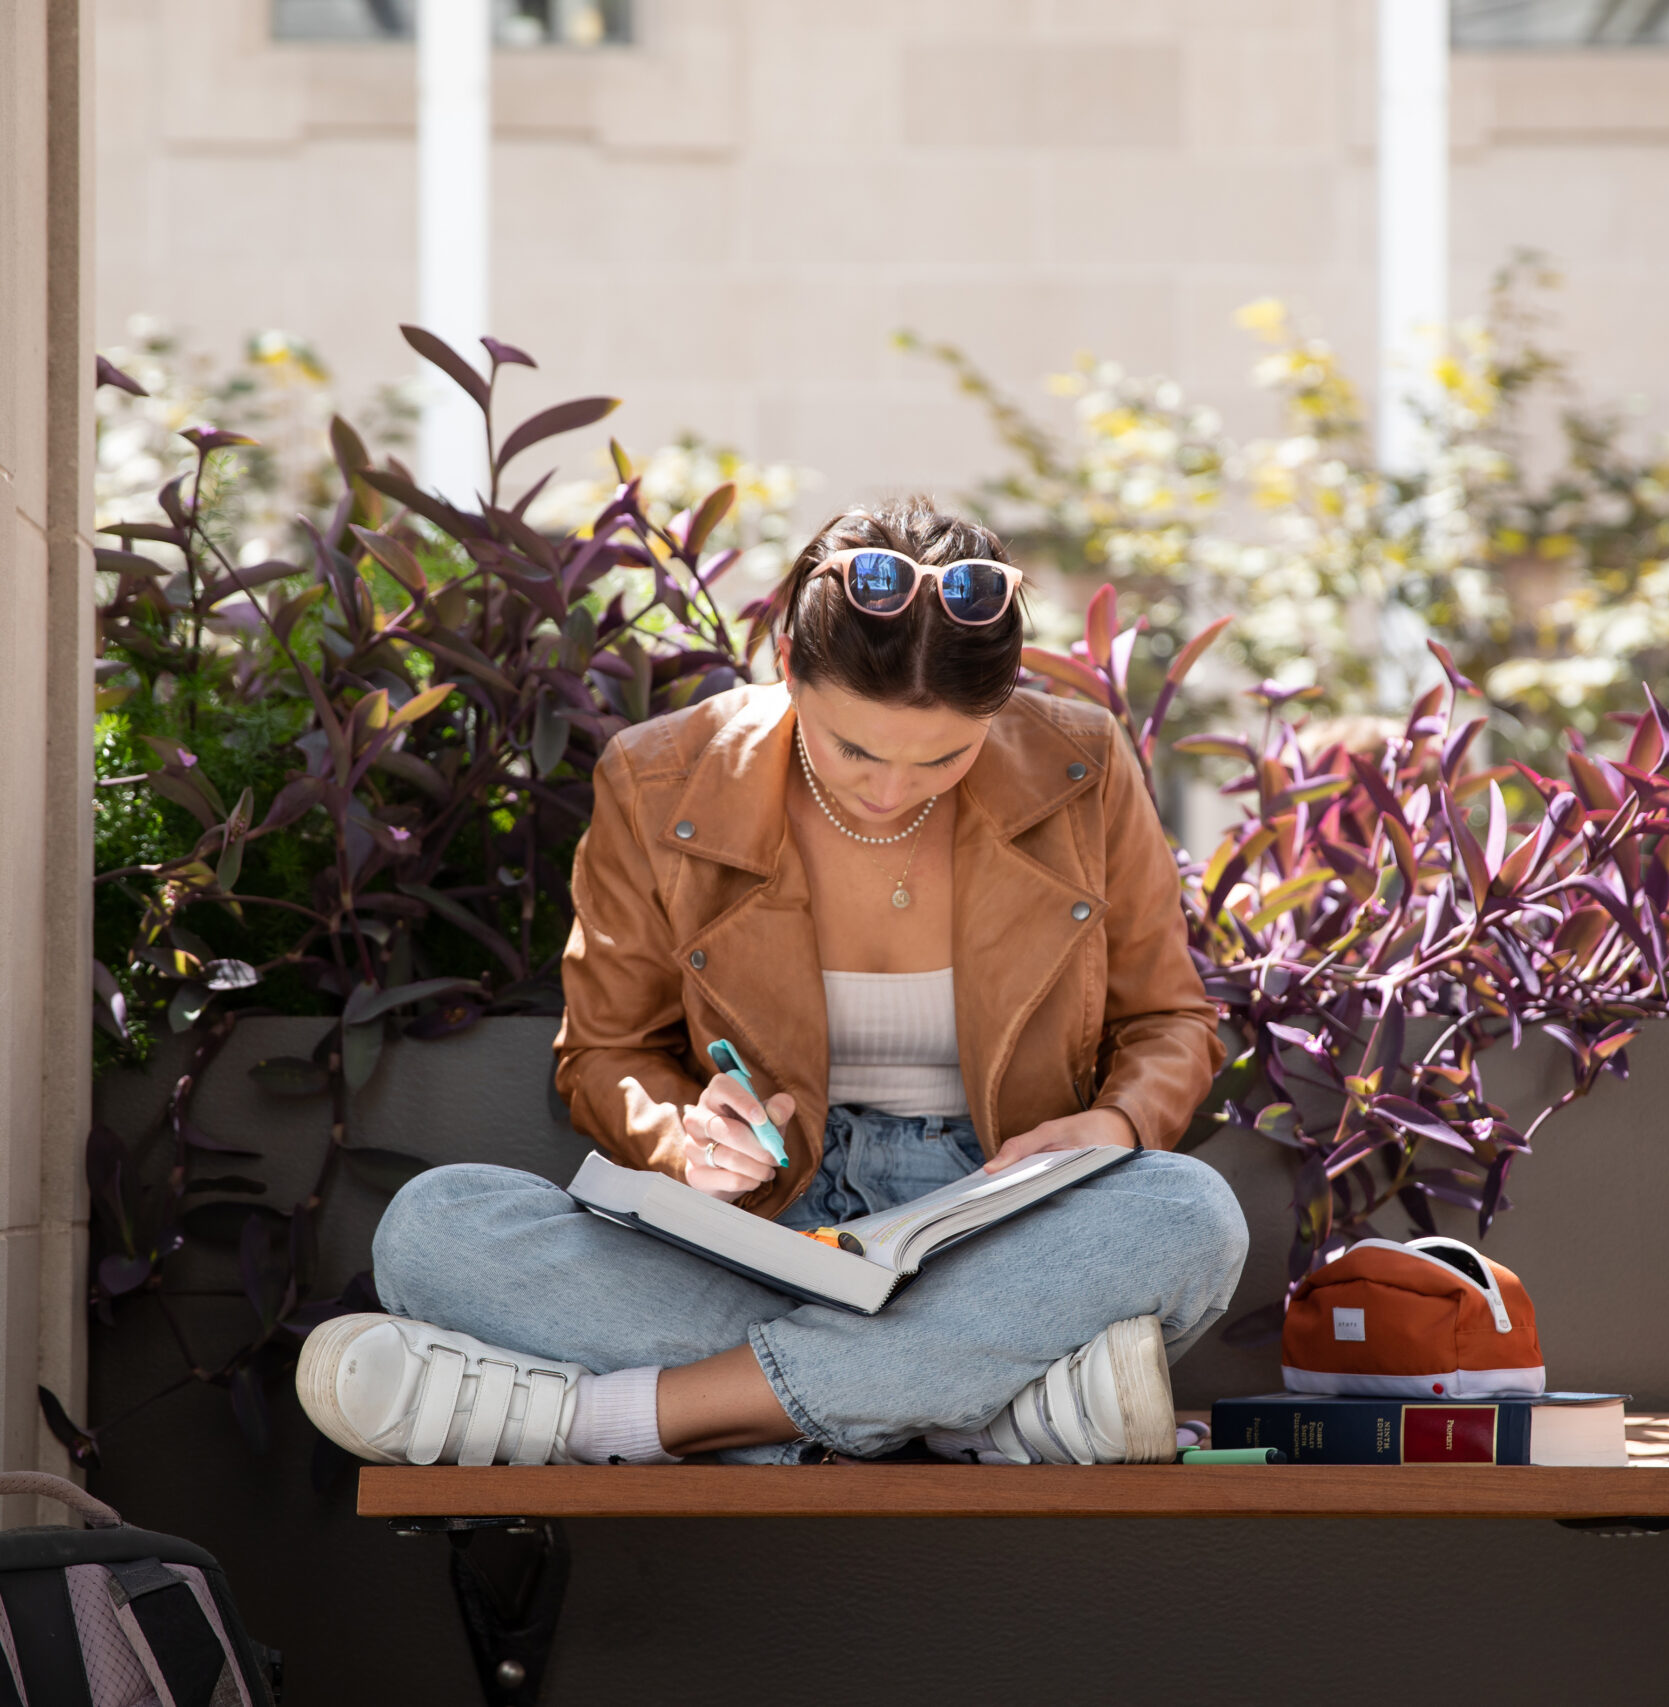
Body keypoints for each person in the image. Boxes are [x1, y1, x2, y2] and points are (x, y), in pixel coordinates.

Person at [297, 497, 1246, 1468]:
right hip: (760, 1229)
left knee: (1186, 1214)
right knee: (431, 1229)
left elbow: (1168, 1020)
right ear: (787, 667)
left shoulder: (1081, 766)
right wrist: (684, 1141)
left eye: (945, 757)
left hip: (997, 1227)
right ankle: (982, 1404)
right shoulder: (661, 777)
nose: (890, 790)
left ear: (995, 712)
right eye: (854, 748)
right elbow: (605, 1053)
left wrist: (1110, 1128)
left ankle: (615, 1421)